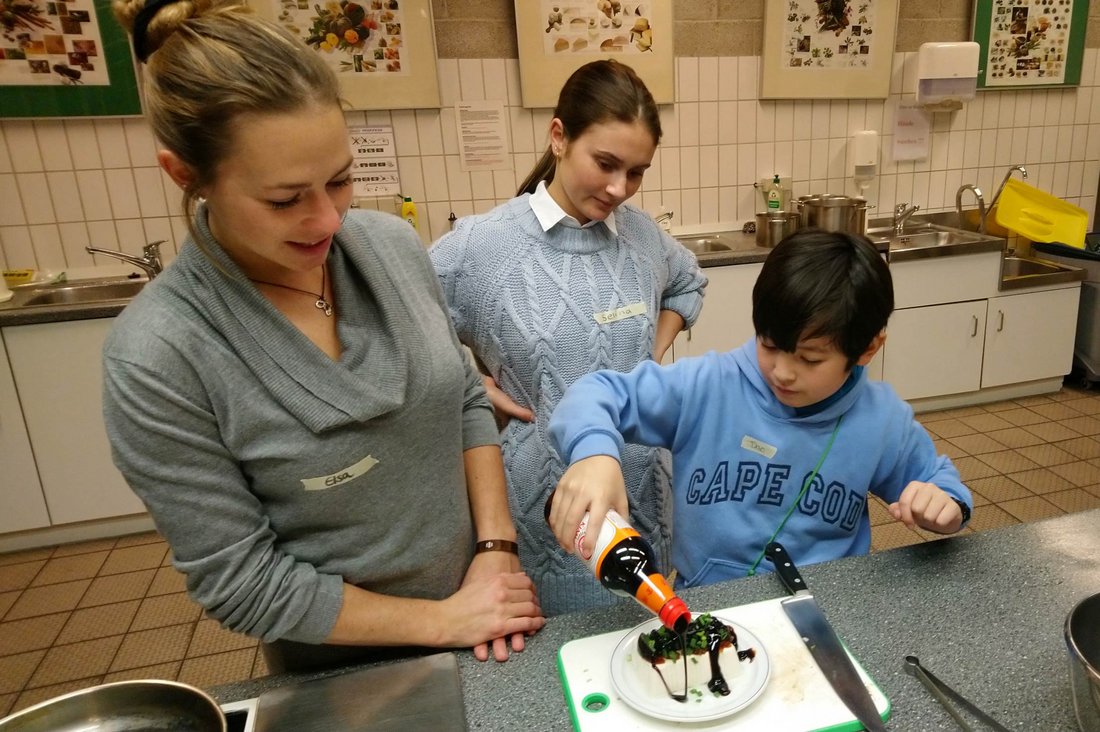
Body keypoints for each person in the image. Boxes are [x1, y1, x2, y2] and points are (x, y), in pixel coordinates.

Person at [101, 0, 543, 672]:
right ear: (185, 175)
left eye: (339, 180)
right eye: (285, 199)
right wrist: (443, 620)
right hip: (342, 669)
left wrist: (495, 552)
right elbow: (242, 581)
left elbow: (462, 400)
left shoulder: (392, 248)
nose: (328, 219)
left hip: (486, 612)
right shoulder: (161, 355)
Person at [429, 60, 707, 616]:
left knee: (645, 633)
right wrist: (469, 386)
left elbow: (687, 282)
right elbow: (402, 323)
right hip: (541, 508)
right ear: (559, 137)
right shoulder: (483, 249)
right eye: (605, 164)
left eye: (636, 172)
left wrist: (645, 360)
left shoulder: (643, 238)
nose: (618, 188)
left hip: (640, 490)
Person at [547, 229, 973, 587]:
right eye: (770, 345)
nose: (783, 372)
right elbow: (592, 394)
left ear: (867, 349)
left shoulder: (883, 421)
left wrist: (943, 509)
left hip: (827, 608)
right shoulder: (707, 385)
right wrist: (594, 454)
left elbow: (943, 489)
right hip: (710, 604)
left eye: (809, 359)